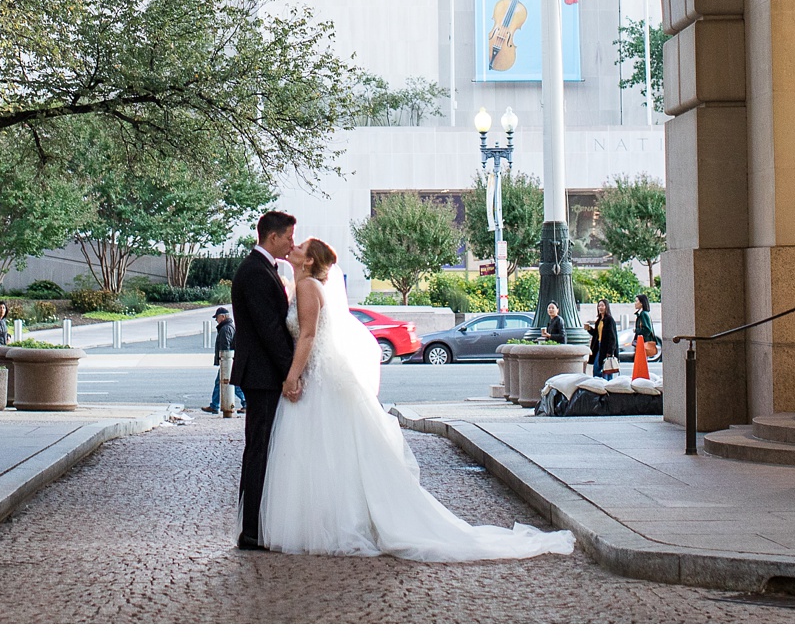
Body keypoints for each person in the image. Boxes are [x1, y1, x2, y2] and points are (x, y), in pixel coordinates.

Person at [256, 237, 574, 560]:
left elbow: (308, 335)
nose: (293, 247)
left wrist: (293, 376)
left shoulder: (309, 287)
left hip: (318, 377)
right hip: (320, 374)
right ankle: (330, 519)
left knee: (327, 450)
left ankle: (336, 523)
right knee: (329, 452)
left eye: (301, 247)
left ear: (309, 261)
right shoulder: (302, 285)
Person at [230, 210, 298, 551]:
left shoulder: (261, 269)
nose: (292, 243)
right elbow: (270, 331)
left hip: (263, 374)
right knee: (258, 449)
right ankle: (252, 529)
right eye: (289, 237)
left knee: (261, 448)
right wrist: (291, 372)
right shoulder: (255, 272)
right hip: (262, 375)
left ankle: (257, 525)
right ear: (273, 237)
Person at [205, 306, 245, 415]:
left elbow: (225, 346)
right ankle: (214, 405)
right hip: (229, 360)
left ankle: (245, 403)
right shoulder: (229, 327)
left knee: (229, 383)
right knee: (221, 383)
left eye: (217, 318)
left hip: (227, 361)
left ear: (222, 317)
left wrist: (223, 360)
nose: (216, 320)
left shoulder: (225, 328)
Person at [587, 299, 619, 378]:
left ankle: (606, 385)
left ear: (606, 307)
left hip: (605, 347)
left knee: (604, 368)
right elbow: (596, 334)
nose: (600, 308)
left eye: (602, 306)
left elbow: (612, 337)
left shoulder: (609, 320)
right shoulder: (599, 320)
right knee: (600, 368)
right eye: (599, 306)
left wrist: (610, 351)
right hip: (598, 345)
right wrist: (589, 329)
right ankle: (604, 384)